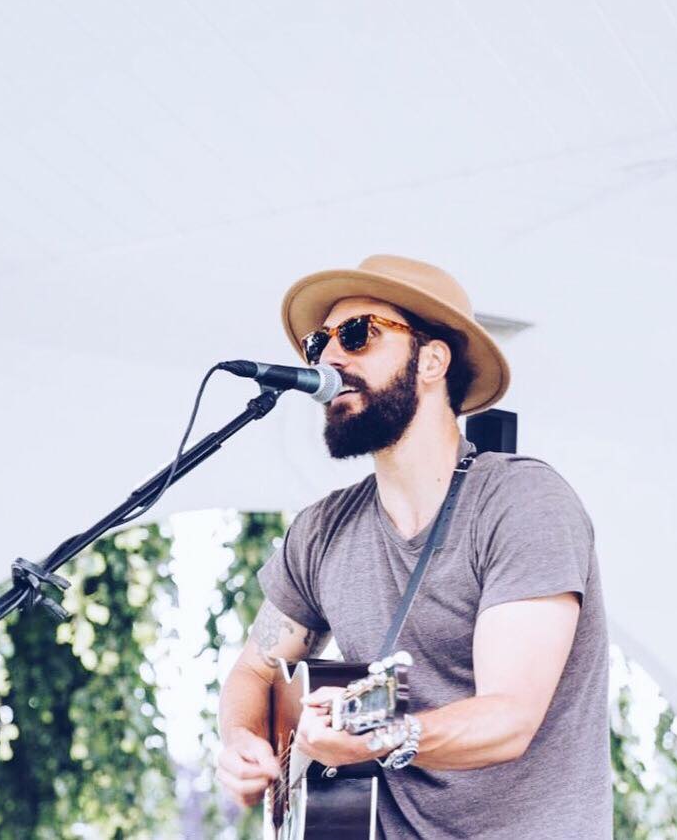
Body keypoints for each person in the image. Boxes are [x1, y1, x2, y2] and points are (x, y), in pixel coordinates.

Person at [216, 254, 612, 839]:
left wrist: (383, 738)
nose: (329, 357)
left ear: (431, 360)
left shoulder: (523, 502)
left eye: (358, 334)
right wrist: (243, 741)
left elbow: (510, 718)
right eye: (319, 342)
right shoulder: (321, 531)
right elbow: (256, 668)